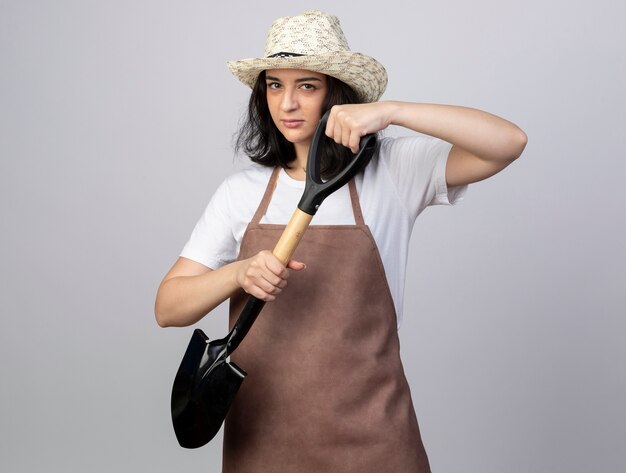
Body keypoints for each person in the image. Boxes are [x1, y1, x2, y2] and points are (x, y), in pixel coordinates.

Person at [155, 10, 527, 473]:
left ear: (336, 91)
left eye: (306, 86)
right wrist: (238, 272)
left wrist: (394, 111)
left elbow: (508, 142)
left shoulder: (392, 172)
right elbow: (168, 307)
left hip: (374, 441)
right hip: (263, 442)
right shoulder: (241, 193)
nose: (287, 103)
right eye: (275, 85)